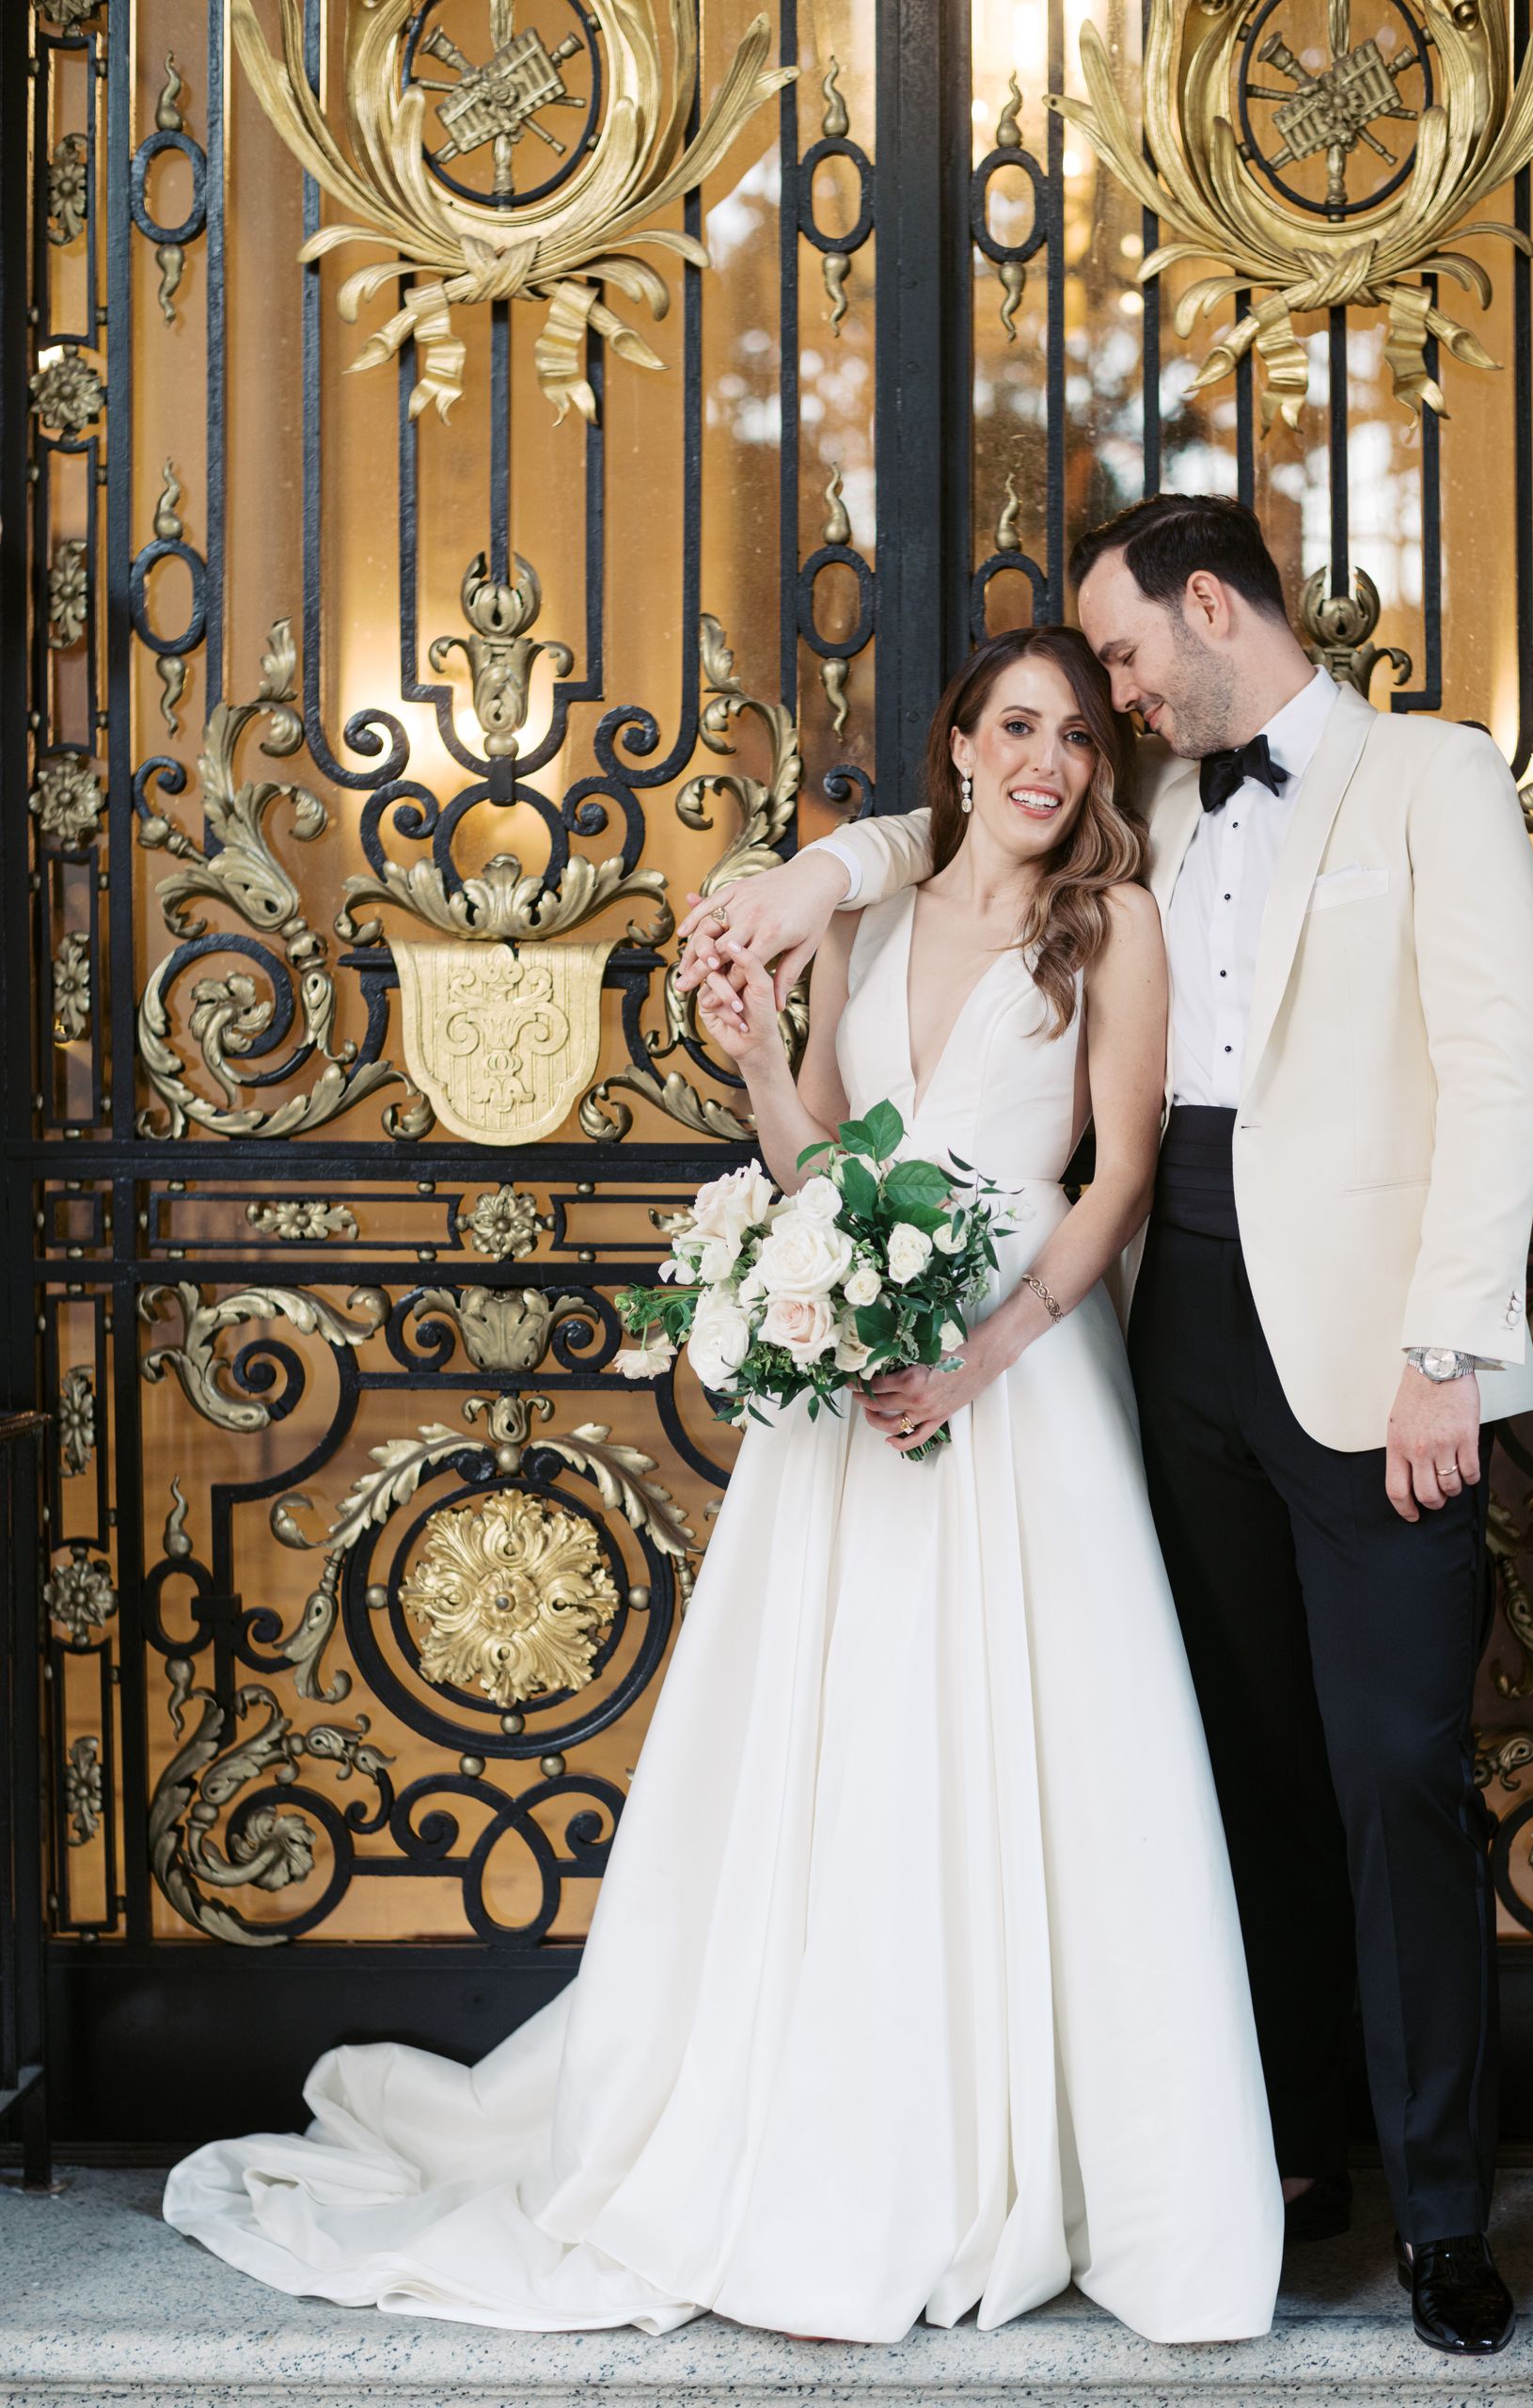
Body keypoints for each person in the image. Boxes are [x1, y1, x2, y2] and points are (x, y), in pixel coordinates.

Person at [163, 623, 1284, 2348]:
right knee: (839, 1759)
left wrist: (981, 1357)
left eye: (1075, 731)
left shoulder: (1112, 925)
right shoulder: (873, 914)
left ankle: (1031, 2155)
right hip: (854, 1403)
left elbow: (1118, 1179)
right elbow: (825, 1160)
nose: (1049, 759)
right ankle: (828, 2143)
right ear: (963, 745)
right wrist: (763, 1057)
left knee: (1043, 1762)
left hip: (1028, 1383)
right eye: (1016, 727)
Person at [677, 496, 1533, 2359]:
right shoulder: (1148, 797)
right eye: (1074, 697)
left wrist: (1448, 1349)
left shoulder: (1432, 777)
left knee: (1397, 1761)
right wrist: (817, 877)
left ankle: (1447, 2217)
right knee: (1234, 1761)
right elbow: (958, 833)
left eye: (1128, 664)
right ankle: (1284, 2144)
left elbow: (1499, 1067)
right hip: (1182, 1333)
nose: (1111, 706)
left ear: (1209, 606)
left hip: (1373, 1339)